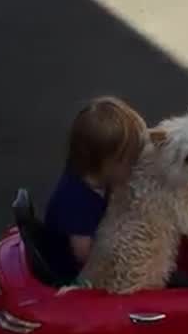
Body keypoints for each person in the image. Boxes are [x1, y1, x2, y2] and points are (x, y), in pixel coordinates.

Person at [44, 96, 146, 281]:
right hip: (73, 276)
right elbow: (84, 256)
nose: (135, 165)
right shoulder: (77, 202)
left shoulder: (89, 173)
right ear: (106, 165)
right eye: (130, 161)